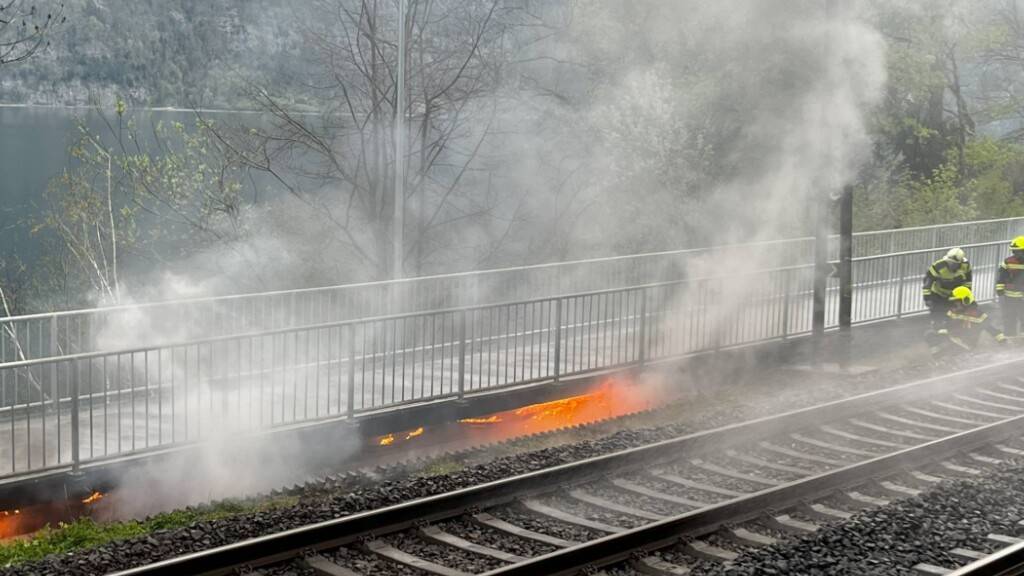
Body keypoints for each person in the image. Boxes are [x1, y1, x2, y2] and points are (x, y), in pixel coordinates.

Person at [927, 286, 1007, 356]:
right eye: (953, 302)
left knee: (940, 339)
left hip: (965, 345)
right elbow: (944, 324)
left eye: (956, 302)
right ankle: (940, 359)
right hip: (953, 340)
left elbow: (993, 330)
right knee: (930, 334)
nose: (954, 305)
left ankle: (949, 359)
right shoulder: (953, 312)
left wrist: (1003, 341)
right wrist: (939, 329)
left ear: (966, 300)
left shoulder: (978, 315)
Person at [922, 247, 972, 326]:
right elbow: (927, 283)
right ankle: (936, 332)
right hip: (938, 295)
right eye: (949, 262)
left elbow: (968, 282)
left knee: (952, 316)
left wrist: (966, 295)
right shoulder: (938, 266)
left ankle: (950, 333)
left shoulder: (966, 266)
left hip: (954, 296)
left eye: (953, 263)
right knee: (937, 316)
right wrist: (927, 298)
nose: (951, 265)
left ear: (959, 263)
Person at [996, 236, 1024, 337]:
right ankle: (1010, 335)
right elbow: (1001, 278)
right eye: (1014, 251)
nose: (1015, 254)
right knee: (1009, 316)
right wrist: (1000, 292)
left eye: (1018, 251)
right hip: (1009, 297)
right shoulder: (1007, 262)